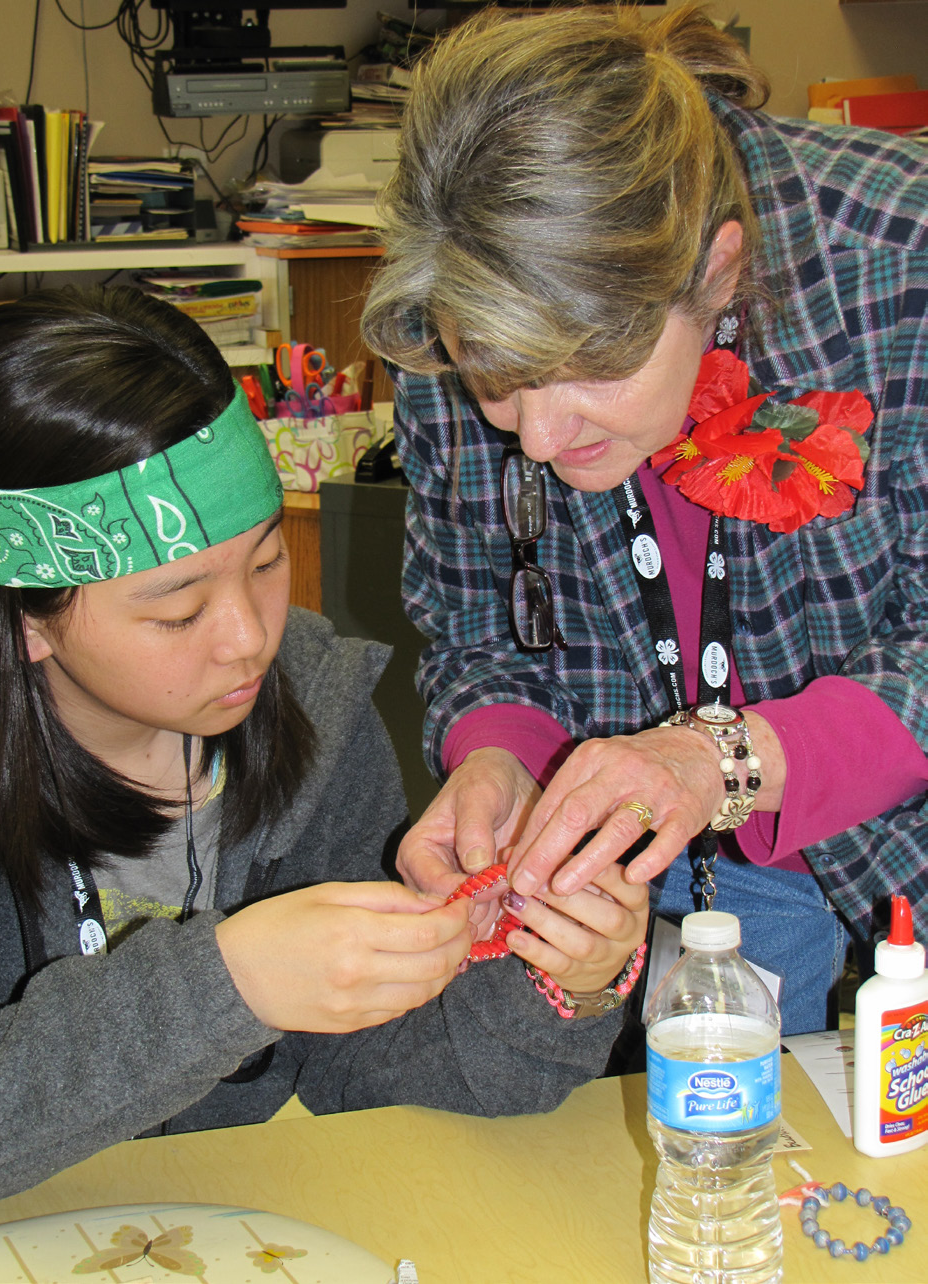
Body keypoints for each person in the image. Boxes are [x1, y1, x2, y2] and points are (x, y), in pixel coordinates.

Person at [0, 284, 647, 1221]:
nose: (247, 639)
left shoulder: (310, 707)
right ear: (25, 618)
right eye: (177, 609)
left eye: (266, 562)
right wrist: (229, 985)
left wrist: (556, 979)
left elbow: (371, 1075)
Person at [361, 3, 928, 1039]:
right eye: (496, 379)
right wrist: (497, 761)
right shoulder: (460, 290)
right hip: (651, 904)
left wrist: (715, 762)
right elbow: (477, 624)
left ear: (714, 274)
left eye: (584, 370)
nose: (532, 435)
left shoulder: (905, 261)